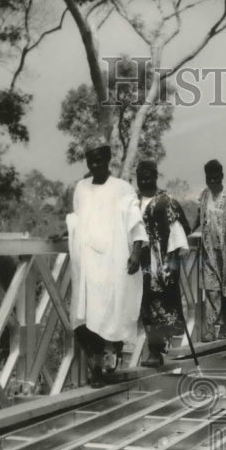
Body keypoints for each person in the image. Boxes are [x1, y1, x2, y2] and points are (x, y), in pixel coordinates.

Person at [65, 134, 147, 388]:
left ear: (108, 159)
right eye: (91, 161)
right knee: (85, 316)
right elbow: (79, 219)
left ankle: (108, 362)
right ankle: (98, 366)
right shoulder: (81, 187)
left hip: (113, 262)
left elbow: (135, 223)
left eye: (100, 160)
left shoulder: (122, 188)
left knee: (112, 312)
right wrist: (67, 230)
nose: (95, 165)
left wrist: (135, 252)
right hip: (88, 264)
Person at [135, 160, 192, 368]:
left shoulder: (166, 200)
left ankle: (155, 351)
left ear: (156, 175)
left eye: (148, 175)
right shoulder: (132, 201)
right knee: (142, 305)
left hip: (160, 261)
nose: (144, 179)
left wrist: (170, 264)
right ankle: (151, 350)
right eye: (140, 175)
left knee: (158, 304)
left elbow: (177, 232)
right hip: (136, 261)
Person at [194, 159, 226, 341]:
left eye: (216, 178)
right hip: (210, 252)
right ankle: (210, 327)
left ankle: (225, 325)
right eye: (209, 178)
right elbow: (198, 219)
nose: (213, 181)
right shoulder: (203, 195)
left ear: (222, 176)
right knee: (211, 290)